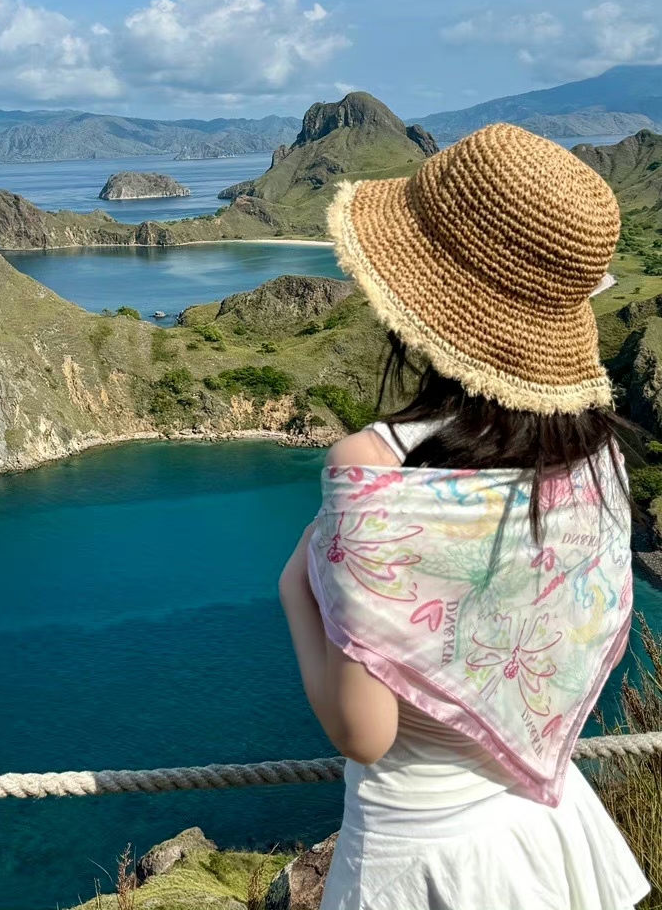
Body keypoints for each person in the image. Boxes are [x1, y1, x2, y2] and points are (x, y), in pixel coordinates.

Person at [278, 122, 650, 910]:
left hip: (420, 865)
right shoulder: (598, 460)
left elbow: (364, 732)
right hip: (549, 835)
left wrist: (294, 589)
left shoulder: (372, 468)